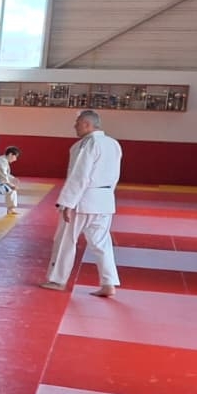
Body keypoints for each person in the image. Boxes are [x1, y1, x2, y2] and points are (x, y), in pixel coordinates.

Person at [44, 109, 123, 297]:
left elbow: (80, 176)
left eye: (78, 123)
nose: (75, 126)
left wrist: (67, 203)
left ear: (87, 124)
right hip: (104, 200)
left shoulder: (88, 144)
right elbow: (115, 175)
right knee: (101, 243)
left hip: (82, 200)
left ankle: (57, 280)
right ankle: (109, 283)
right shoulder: (113, 144)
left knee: (65, 241)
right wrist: (107, 195)